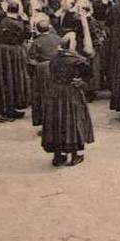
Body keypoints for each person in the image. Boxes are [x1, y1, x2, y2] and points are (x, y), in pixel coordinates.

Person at [40, 32, 95, 167]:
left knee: (58, 122)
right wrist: (81, 82)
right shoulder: (78, 61)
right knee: (75, 121)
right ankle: (76, 154)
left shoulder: (54, 59)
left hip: (56, 94)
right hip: (71, 93)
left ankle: (59, 155)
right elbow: (89, 74)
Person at [0, 1, 32, 123]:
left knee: (5, 81)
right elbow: (27, 35)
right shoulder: (18, 23)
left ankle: (8, 109)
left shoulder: (3, 20)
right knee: (11, 81)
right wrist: (26, 21)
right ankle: (2, 112)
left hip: (1, 53)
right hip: (12, 53)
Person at [26, 17, 62, 128]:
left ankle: (46, 124)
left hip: (43, 70)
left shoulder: (37, 41)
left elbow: (31, 59)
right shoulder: (58, 38)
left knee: (42, 96)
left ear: (37, 30)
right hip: (58, 68)